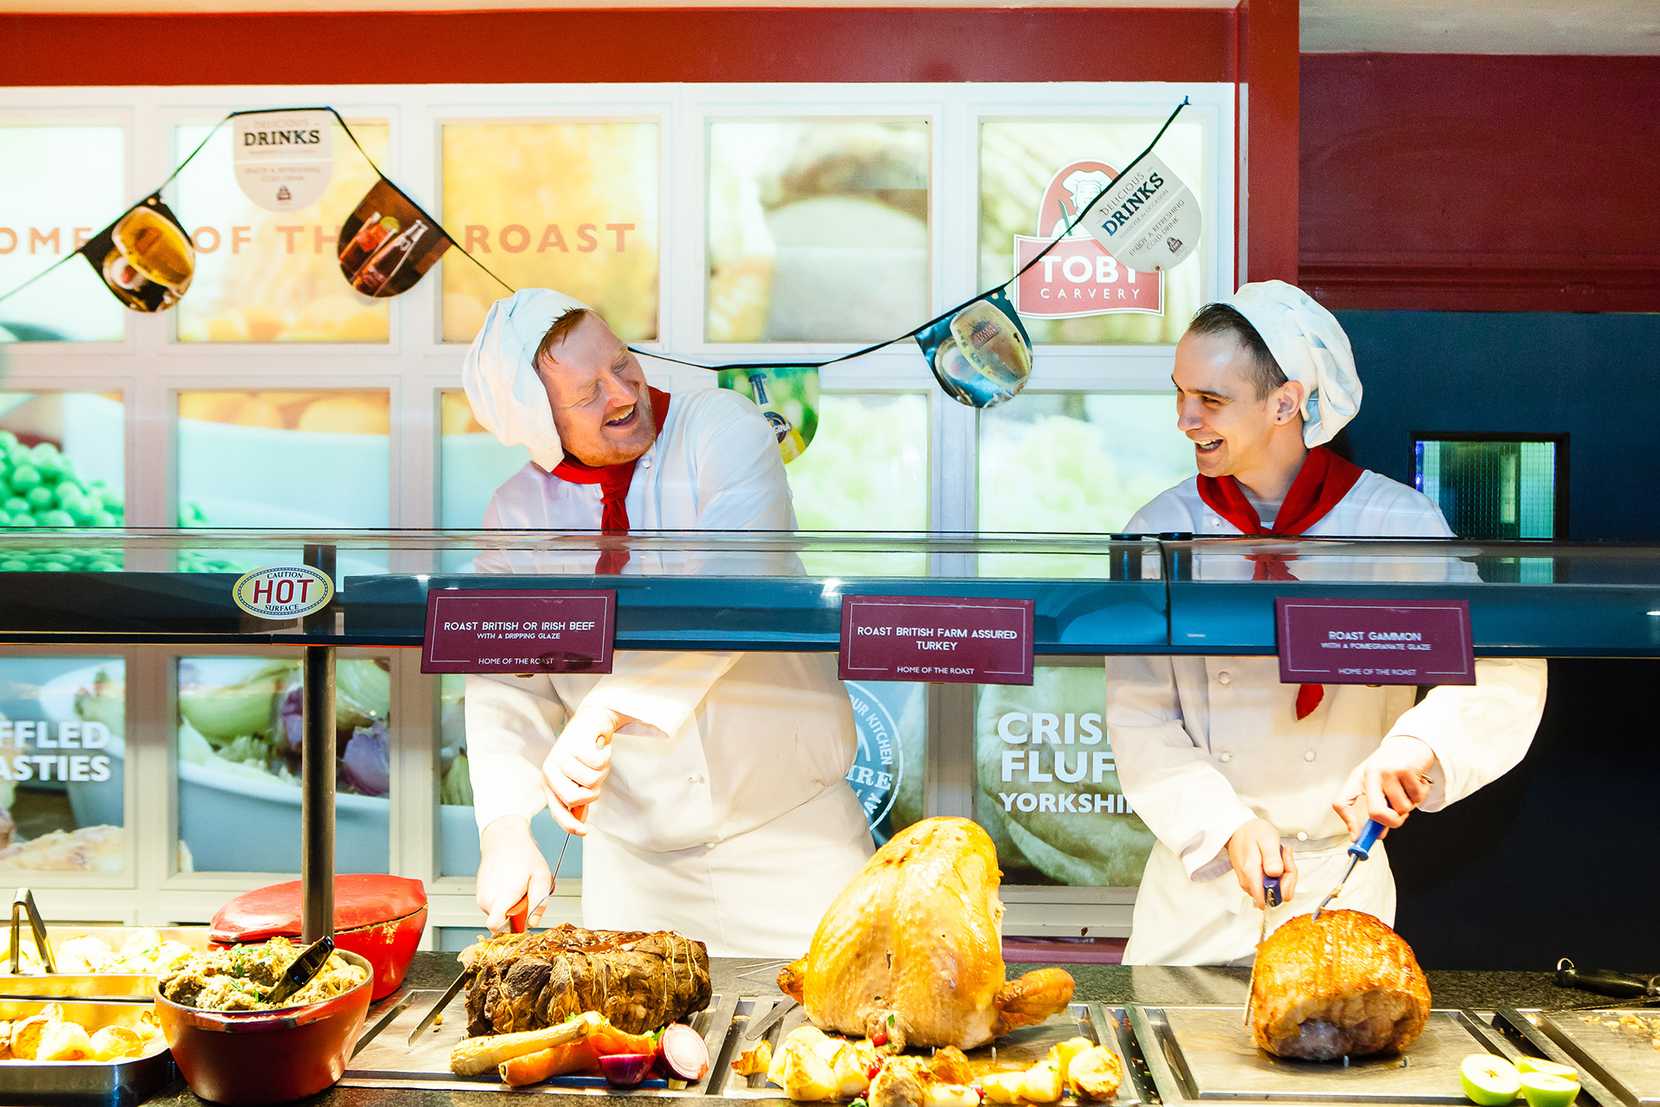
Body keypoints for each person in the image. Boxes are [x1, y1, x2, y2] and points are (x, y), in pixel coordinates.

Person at [1108, 280, 1548, 965]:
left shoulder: (1397, 528)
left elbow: (1503, 662)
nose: (1185, 419)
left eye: (1210, 401)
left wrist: (1421, 746)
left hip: (1345, 883)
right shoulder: (1161, 532)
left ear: (1285, 402)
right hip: (1197, 894)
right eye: (1181, 393)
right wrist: (1227, 827)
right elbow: (1140, 718)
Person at [459, 288, 874, 957]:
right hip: (634, 876)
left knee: (841, 1048)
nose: (624, 394)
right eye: (588, 393)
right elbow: (506, 677)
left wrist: (605, 708)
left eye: (623, 365)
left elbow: (737, 590)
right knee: (637, 1054)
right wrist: (505, 827)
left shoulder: (721, 428)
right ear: (539, 424)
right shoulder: (517, 514)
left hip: (796, 848)